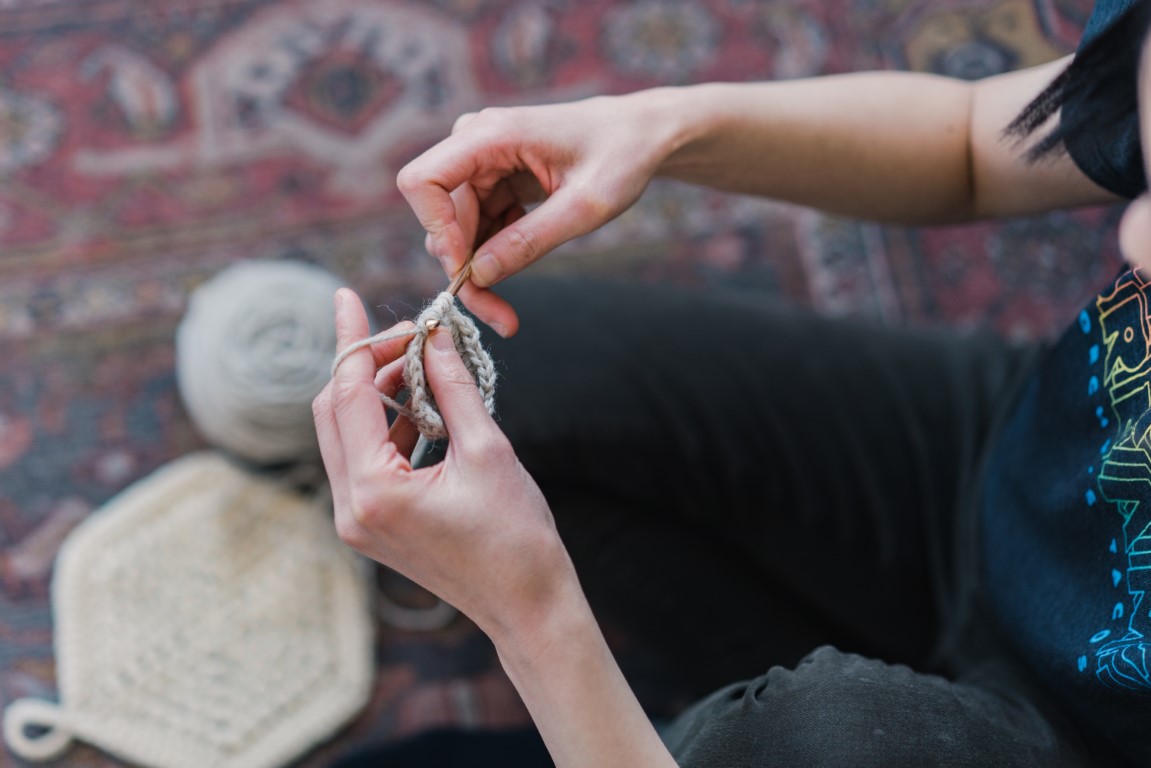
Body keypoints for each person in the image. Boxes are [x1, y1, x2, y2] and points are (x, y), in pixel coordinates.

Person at [312, 0, 1151, 764]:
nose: (1132, 236)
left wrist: (531, 619)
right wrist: (658, 127)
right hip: (1003, 472)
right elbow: (976, 141)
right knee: (535, 380)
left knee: (811, 730)